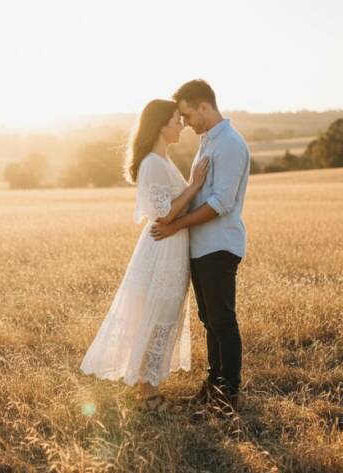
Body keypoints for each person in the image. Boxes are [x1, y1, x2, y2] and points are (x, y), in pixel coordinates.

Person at [80, 99, 209, 412]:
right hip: (162, 249)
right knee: (157, 314)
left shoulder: (163, 160)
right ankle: (149, 397)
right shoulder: (152, 162)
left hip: (172, 247)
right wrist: (194, 186)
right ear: (161, 125)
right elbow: (163, 214)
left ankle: (148, 390)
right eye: (177, 120)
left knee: (163, 315)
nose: (182, 126)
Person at [150, 80, 250, 412]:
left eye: (189, 115)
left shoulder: (229, 145)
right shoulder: (209, 142)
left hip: (219, 245)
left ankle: (228, 396)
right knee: (209, 319)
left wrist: (175, 225)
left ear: (204, 107)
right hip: (201, 246)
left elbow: (221, 202)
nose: (187, 123)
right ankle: (214, 387)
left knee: (223, 320)